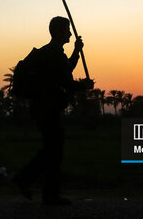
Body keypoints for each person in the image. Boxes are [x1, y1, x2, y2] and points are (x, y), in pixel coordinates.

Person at [12, 16, 93, 205]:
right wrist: (84, 85)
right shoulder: (53, 54)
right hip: (46, 109)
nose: (70, 33)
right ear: (57, 32)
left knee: (52, 150)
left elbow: (65, 70)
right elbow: (67, 82)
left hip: (45, 109)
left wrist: (76, 51)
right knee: (54, 150)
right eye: (67, 30)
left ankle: (41, 189)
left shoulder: (54, 53)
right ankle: (34, 185)